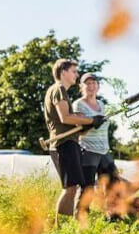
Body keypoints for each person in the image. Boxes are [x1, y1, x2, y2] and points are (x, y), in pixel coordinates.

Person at [43, 59, 105, 222]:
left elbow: (70, 120)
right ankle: (60, 227)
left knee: (72, 186)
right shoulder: (58, 89)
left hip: (69, 143)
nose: (76, 75)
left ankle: (65, 225)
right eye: (73, 71)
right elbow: (65, 117)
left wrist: (86, 123)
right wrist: (91, 120)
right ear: (63, 72)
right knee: (69, 187)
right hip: (63, 144)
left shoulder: (61, 91)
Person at [72, 73, 119, 191]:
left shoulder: (101, 104)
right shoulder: (78, 104)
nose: (91, 86)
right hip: (89, 151)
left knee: (113, 184)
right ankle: (82, 205)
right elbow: (79, 130)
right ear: (81, 86)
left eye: (94, 83)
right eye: (87, 83)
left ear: (98, 86)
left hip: (104, 151)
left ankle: (110, 205)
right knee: (87, 189)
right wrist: (92, 122)